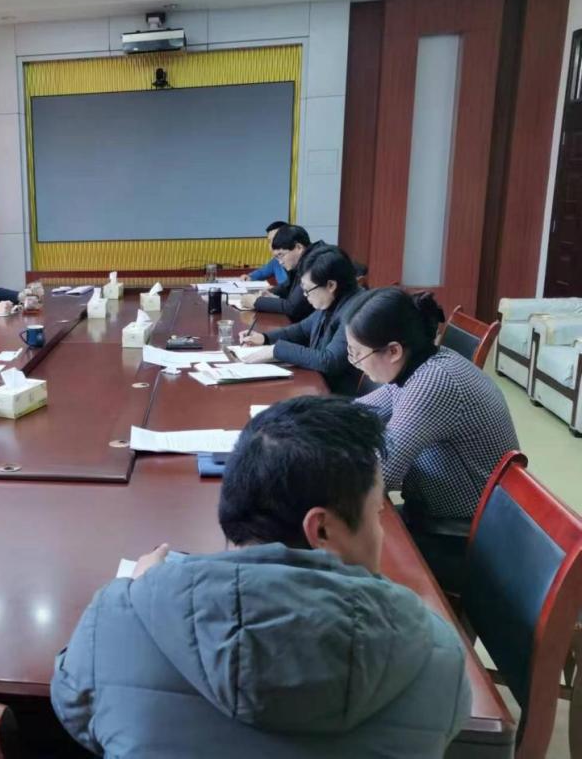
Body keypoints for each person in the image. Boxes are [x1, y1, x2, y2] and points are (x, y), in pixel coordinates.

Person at [51, 396, 471, 758]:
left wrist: (141, 594)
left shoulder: (117, 617)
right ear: (321, 529)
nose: (380, 531)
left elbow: (76, 712)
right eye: (377, 513)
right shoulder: (435, 654)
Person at [346, 287, 519, 593]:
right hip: (436, 521)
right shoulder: (419, 365)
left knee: (345, 561)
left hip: (466, 542)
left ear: (393, 351)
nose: (354, 362)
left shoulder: (433, 382)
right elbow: (358, 412)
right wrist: (297, 422)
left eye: (358, 354)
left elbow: (380, 475)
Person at [237, 245, 364, 395]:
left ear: (331, 285)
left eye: (308, 290)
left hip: (336, 395)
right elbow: (302, 329)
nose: (305, 295)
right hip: (318, 384)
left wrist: (275, 350)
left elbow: (329, 361)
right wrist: (264, 338)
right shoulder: (334, 299)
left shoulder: (355, 310)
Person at [238, 224, 314, 322]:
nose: (280, 262)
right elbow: (286, 286)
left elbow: (293, 307)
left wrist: (256, 302)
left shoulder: (313, 263)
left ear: (299, 247)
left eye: (281, 255)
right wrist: (270, 293)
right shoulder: (301, 261)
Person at [238, 220, 290, 284]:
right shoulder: (276, 261)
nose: (272, 245)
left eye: (275, 239)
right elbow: (262, 272)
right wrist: (249, 276)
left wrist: (276, 289)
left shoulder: (299, 263)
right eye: (269, 241)